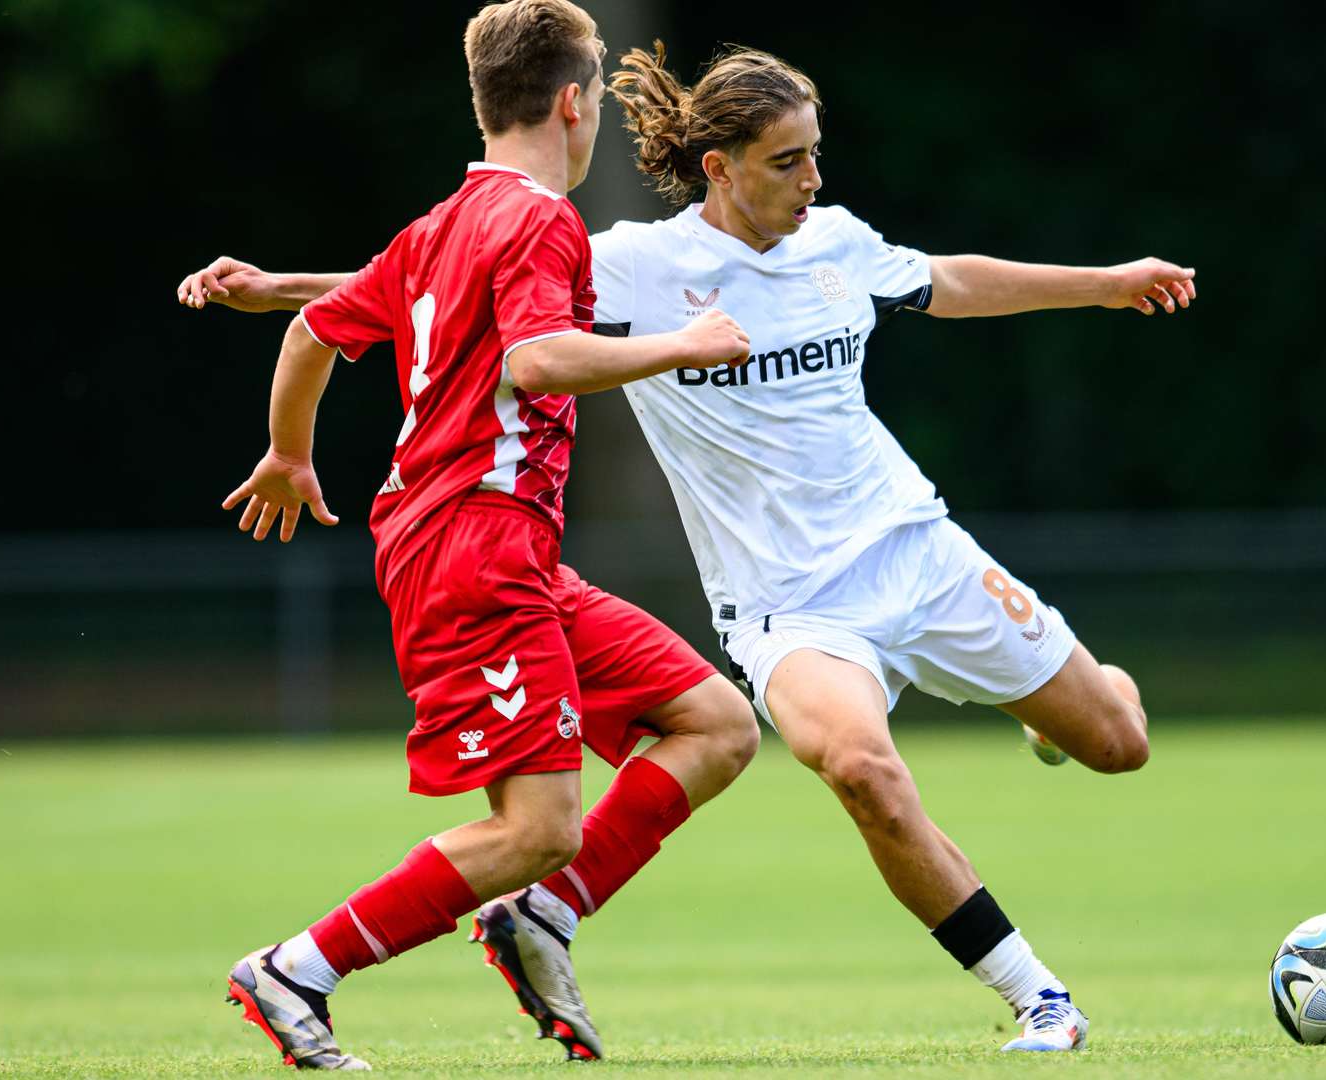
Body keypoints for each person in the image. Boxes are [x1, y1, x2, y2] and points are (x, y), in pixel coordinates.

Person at [180, 43, 1194, 1055]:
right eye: (788, 160)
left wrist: (1103, 283)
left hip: (917, 549)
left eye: (816, 155)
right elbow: (449, 285)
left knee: (1118, 743)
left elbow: (946, 282)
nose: (813, 180)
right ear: (721, 165)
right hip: (790, 609)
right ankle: (1042, 999)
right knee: (861, 772)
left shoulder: (835, 240)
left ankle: (1062, 708)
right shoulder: (636, 265)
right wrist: (279, 291)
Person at [182, 3, 760, 1068]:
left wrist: (291, 452)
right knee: (537, 826)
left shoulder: (449, 221)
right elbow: (537, 361)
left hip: (505, 549)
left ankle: (541, 917)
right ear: (575, 104)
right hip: (472, 545)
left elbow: (319, 328)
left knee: (715, 724)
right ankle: (295, 969)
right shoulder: (540, 221)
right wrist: (686, 345)